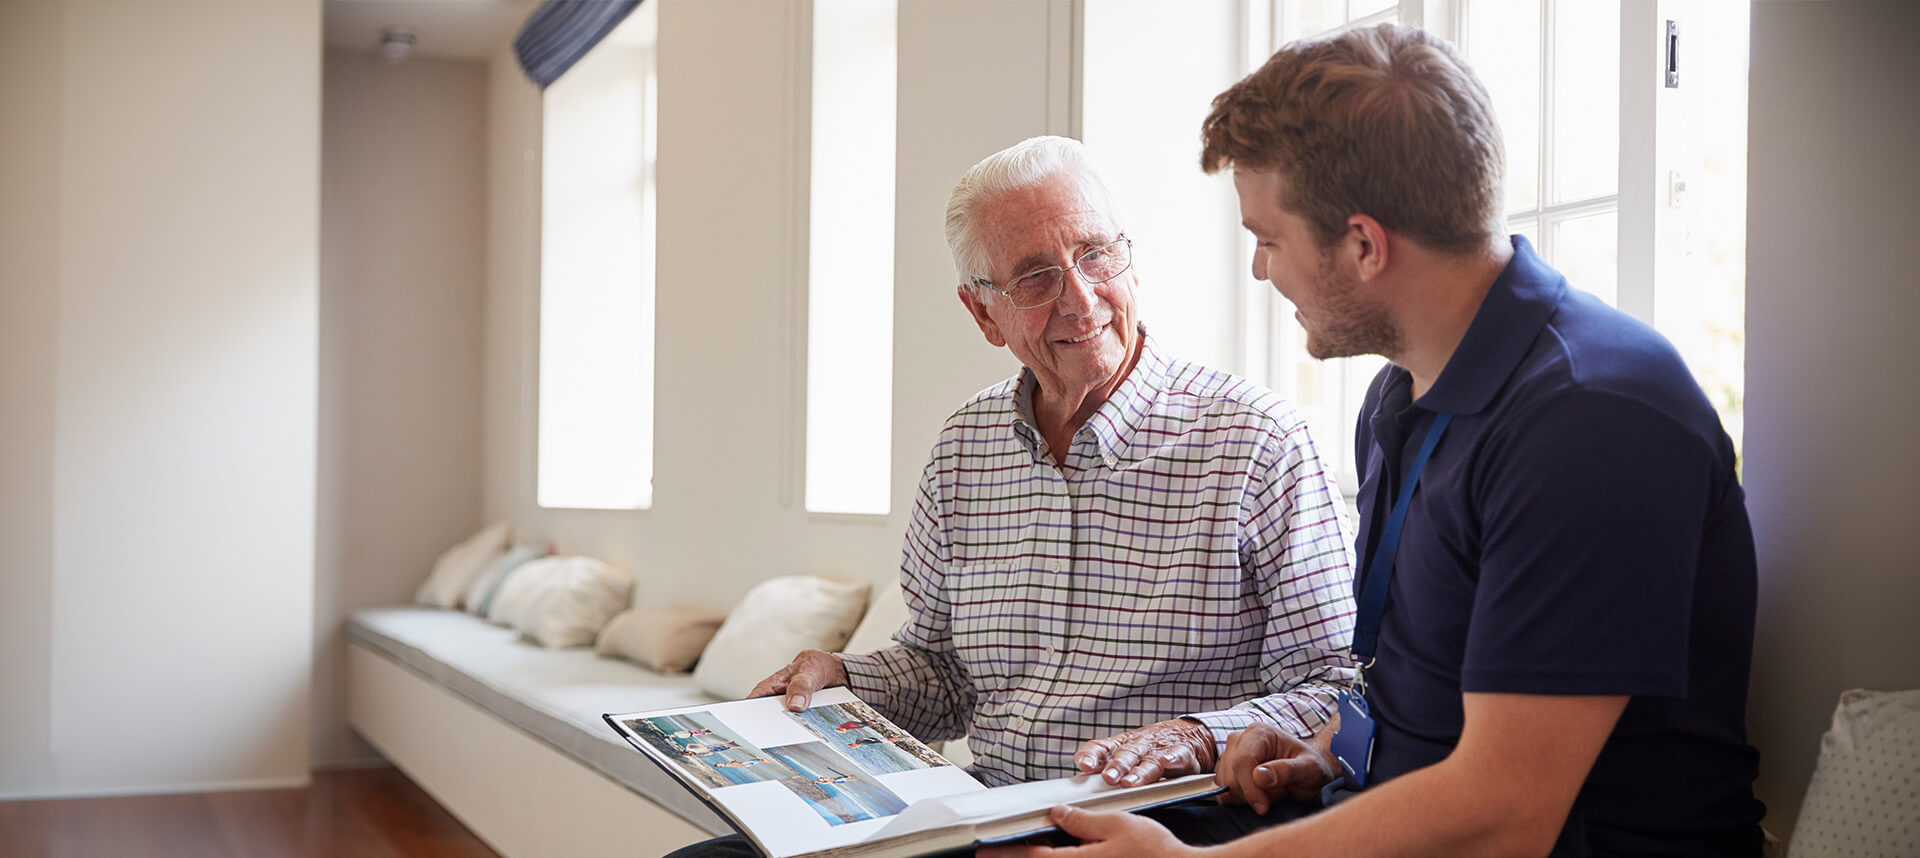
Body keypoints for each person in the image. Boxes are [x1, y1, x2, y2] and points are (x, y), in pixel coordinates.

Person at [985, 24, 1766, 858]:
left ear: (1362, 245)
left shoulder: (1595, 419)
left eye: (1267, 239)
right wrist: (1326, 754)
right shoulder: (1403, 396)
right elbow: (1419, 695)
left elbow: (1507, 814)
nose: (1259, 270)